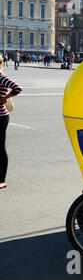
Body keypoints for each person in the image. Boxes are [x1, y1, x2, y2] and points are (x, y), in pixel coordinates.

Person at [0, 55, 23, 188]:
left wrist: (5, 98)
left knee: (0, 148)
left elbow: (17, 88)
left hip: (1, 117)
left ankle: (2, 179)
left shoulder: (1, 77)